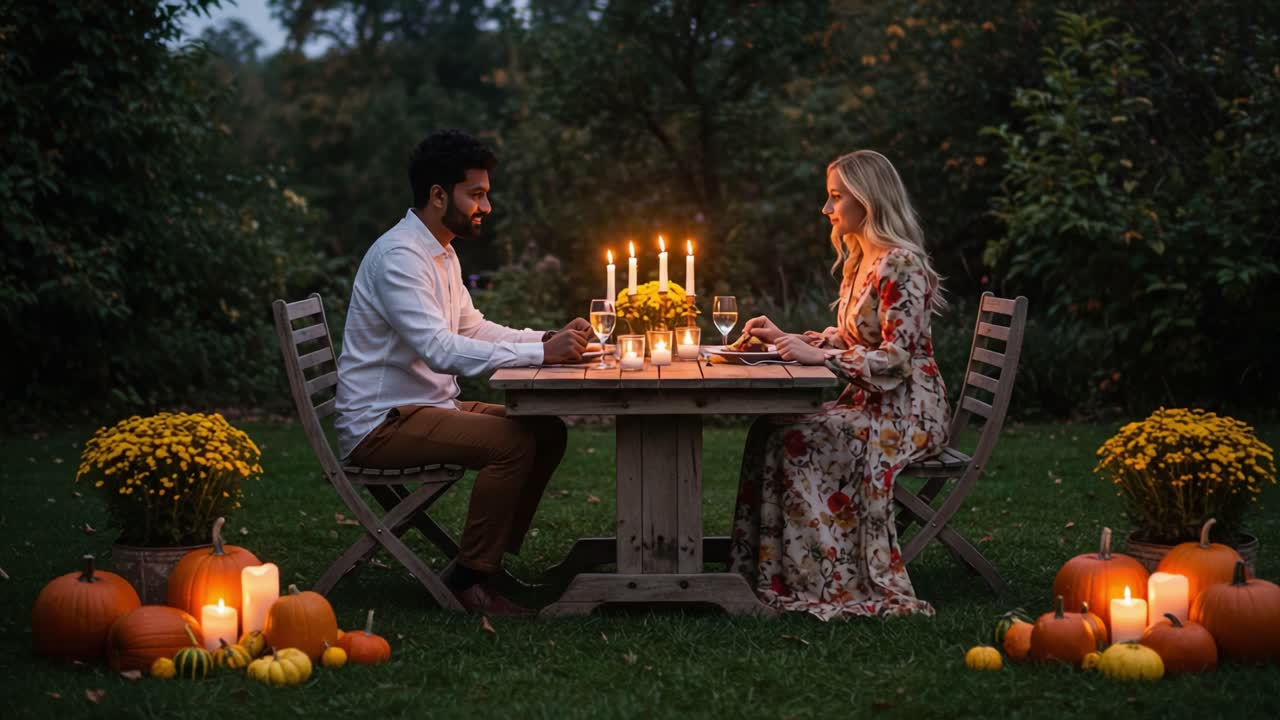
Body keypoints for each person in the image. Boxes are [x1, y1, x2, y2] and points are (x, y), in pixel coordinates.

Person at [334, 129, 591, 615]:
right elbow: (438, 349)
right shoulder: (400, 257)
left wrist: (545, 340)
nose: (486, 207)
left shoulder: (441, 250)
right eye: (476, 194)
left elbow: (473, 327)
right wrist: (543, 356)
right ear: (437, 195)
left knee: (546, 428)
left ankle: (484, 562)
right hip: (382, 422)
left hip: (427, 407)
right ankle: (470, 578)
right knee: (511, 443)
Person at [728, 150, 950, 620]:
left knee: (796, 439)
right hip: (871, 403)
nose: (826, 210)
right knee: (770, 426)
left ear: (867, 200)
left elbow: (896, 359)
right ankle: (770, 574)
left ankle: (825, 579)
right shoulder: (861, 261)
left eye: (835, 198)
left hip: (907, 413)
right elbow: (855, 338)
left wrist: (822, 356)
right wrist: (796, 338)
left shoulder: (901, 264)